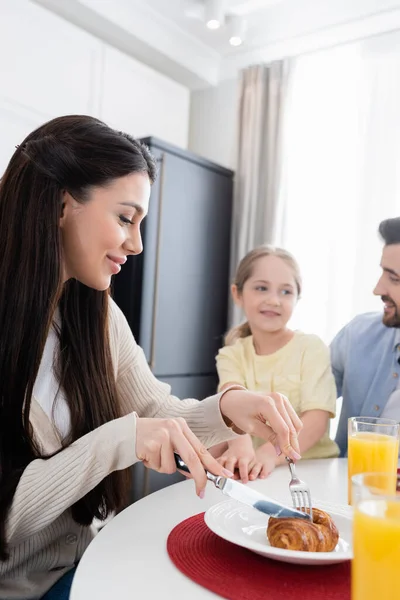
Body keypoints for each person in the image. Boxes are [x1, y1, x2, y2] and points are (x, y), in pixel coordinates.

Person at [0, 116, 303, 600]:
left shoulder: (95, 314)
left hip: (87, 561)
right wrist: (118, 441)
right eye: (125, 218)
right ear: (61, 204)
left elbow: (160, 414)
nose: (136, 245)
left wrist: (229, 407)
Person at [211, 246, 339, 483]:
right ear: (237, 294)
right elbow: (230, 401)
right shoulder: (232, 355)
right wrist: (240, 448)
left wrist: (271, 453)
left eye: (286, 292)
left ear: (297, 299)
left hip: (314, 470)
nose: (273, 300)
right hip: (260, 473)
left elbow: (316, 420)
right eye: (261, 288)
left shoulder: (311, 348)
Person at [331, 217, 400, 457]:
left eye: (394, 279)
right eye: (383, 273)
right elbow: (303, 398)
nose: (377, 289)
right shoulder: (358, 334)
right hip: (344, 491)